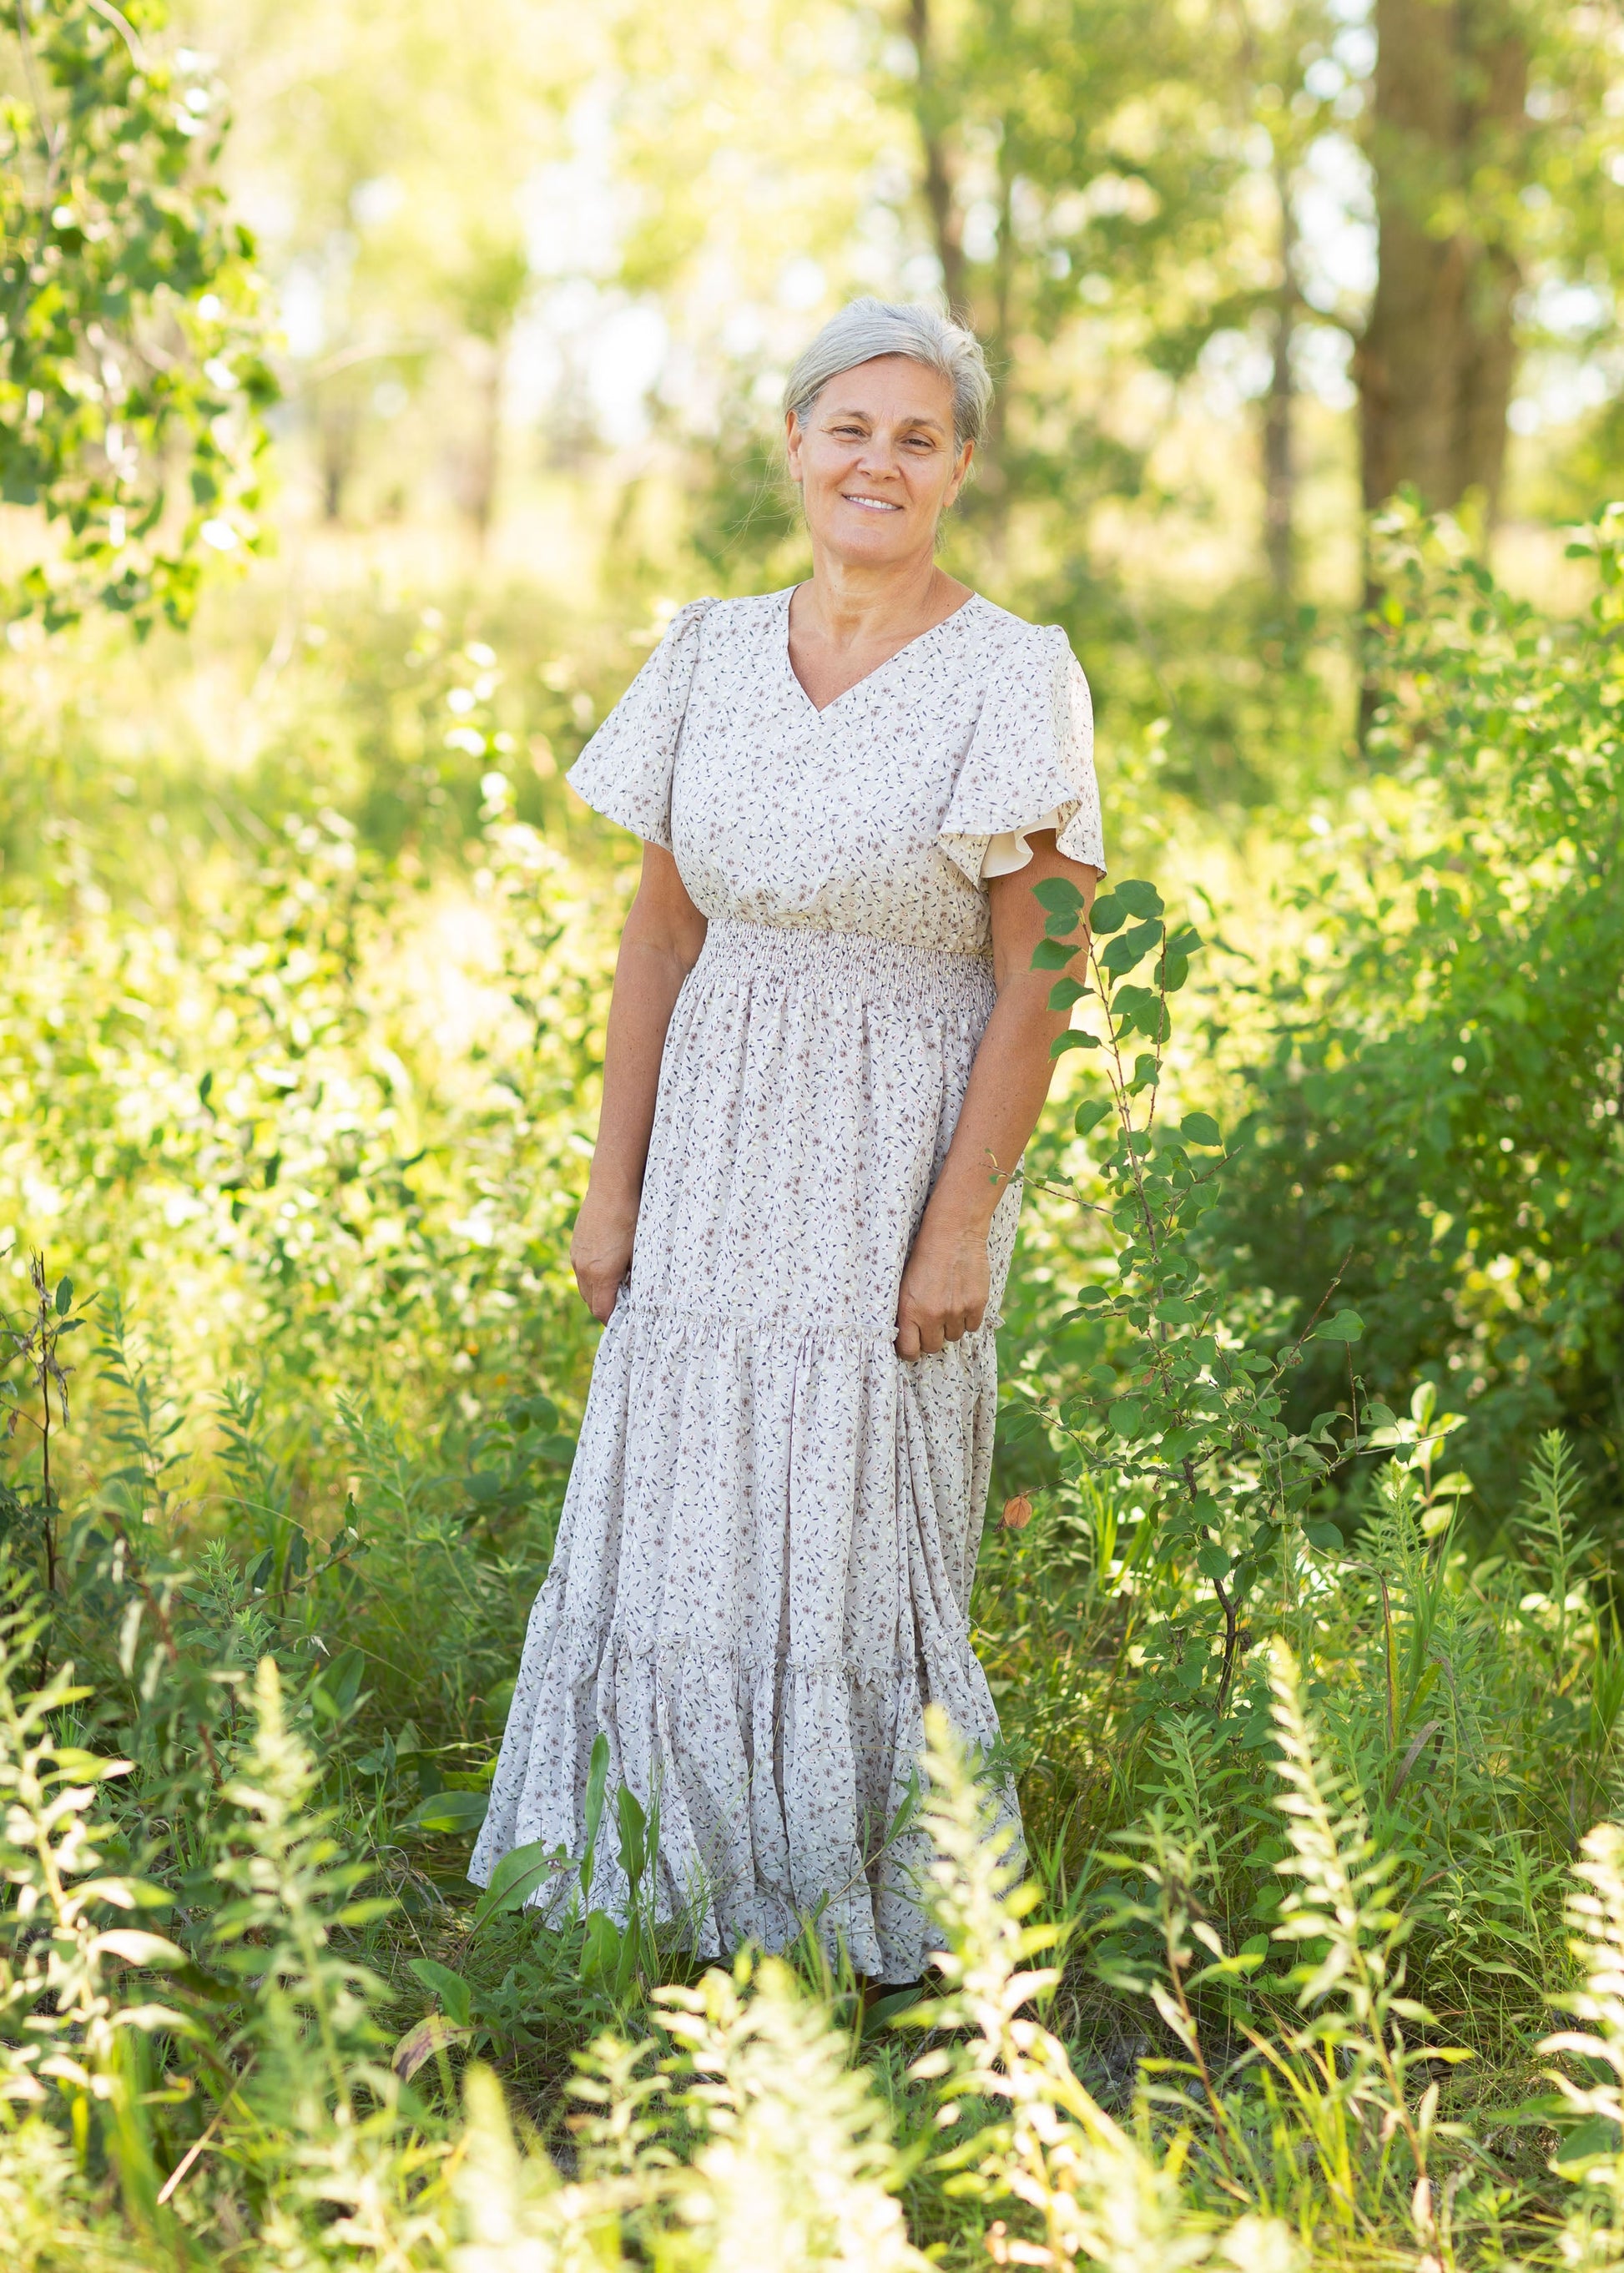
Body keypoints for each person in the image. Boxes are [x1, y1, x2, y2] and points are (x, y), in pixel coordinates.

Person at [469, 297, 1103, 1983]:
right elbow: (658, 939)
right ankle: (662, 1894)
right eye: (849, 429)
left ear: (958, 465)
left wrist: (962, 1218)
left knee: (856, 1520)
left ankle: (854, 1918)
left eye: (916, 436)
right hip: (712, 1141)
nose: (876, 462)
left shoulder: (1013, 670)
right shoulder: (704, 652)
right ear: (795, 450)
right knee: (685, 1497)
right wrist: (611, 1191)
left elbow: (1042, 972)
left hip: (893, 1144)